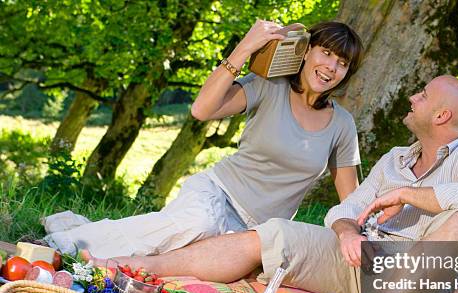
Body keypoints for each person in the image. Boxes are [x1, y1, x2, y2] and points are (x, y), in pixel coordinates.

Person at [84, 75, 458, 293]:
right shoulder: (394, 159)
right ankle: (128, 266)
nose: (413, 97)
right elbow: (346, 207)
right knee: (274, 233)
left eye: (423, 96)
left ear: (441, 115)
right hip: (363, 262)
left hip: (414, 285)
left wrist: (409, 194)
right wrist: (348, 231)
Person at [43, 20, 364, 258]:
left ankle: (77, 226)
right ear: (307, 52)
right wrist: (244, 47)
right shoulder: (270, 85)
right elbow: (202, 109)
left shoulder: (342, 125)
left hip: (257, 231)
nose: (331, 67)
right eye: (326, 53)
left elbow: (352, 201)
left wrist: (362, 241)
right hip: (217, 193)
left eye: (342, 62)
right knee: (198, 223)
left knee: (176, 254)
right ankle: (66, 245)